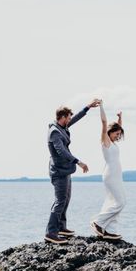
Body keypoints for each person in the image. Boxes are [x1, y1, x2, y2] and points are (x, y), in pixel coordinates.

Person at [45, 100, 100, 245]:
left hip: (65, 170)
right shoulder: (55, 132)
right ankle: (51, 232)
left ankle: (61, 227)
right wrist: (78, 161)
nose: (70, 120)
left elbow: (75, 119)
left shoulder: (62, 126)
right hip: (59, 171)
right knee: (60, 201)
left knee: (66, 198)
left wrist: (87, 107)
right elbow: (61, 151)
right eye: (68, 117)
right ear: (62, 117)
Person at [90, 102, 126, 240]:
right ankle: (98, 222)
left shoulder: (113, 142)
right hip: (110, 175)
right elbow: (104, 122)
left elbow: (118, 128)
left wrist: (120, 118)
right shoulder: (105, 141)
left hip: (116, 175)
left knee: (115, 202)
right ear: (110, 133)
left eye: (119, 134)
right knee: (120, 202)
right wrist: (101, 107)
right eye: (116, 134)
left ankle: (110, 230)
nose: (118, 136)